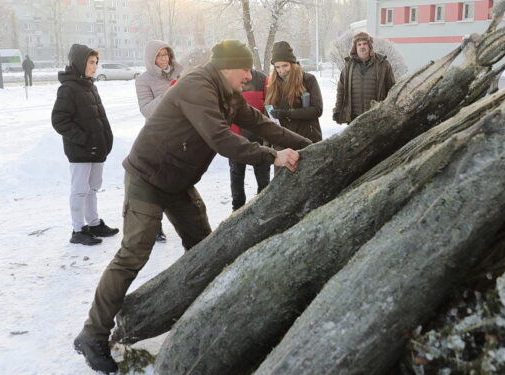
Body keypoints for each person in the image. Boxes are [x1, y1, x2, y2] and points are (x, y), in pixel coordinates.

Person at [72, 39, 311, 373]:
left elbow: (261, 124)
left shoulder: (228, 93)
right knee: (132, 255)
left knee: (205, 249)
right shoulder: (198, 86)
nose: (250, 76)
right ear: (229, 67)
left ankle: (200, 317)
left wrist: (312, 148)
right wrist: (273, 156)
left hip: (178, 182)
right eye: (245, 69)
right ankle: (92, 334)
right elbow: (221, 139)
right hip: (148, 178)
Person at [52, 44, 119, 246]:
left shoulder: (90, 85)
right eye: (91, 62)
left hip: (97, 149)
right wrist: (84, 139)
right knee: (80, 190)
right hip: (80, 151)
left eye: (96, 62)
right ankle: (78, 230)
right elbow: (59, 120)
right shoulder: (68, 88)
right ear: (80, 63)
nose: (95, 66)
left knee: (92, 188)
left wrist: (105, 140)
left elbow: (98, 117)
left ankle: (94, 223)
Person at [135, 40, 183, 241]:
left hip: (181, 135)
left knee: (181, 182)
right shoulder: (143, 80)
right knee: (157, 184)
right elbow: (146, 109)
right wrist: (168, 93)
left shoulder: (181, 73)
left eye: (166, 55)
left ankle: (185, 223)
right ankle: (155, 226)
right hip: (158, 137)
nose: (164, 59)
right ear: (151, 59)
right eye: (159, 56)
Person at [229, 68, 271, 211]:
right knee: (236, 174)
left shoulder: (262, 79)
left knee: (263, 174)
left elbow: (269, 105)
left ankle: (264, 204)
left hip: (258, 136)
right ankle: (237, 206)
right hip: (235, 136)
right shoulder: (229, 80)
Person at [266, 41, 323, 143]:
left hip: (307, 138)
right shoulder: (273, 84)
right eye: (277, 67)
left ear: (292, 64)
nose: (282, 71)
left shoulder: (308, 79)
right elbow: (268, 114)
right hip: (283, 141)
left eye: (285, 65)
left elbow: (317, 110)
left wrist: (288, 113)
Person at [333, 32, 396, 124]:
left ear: (370, 46)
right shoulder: (348, 66)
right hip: (354, 119)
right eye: (359, 44)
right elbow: (341, 91)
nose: (362, 46)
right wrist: (338, 110)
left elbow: (392, 89)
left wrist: (390, 110)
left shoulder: (382, 64)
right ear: (355, 48)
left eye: (365, 44)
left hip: (376, 117)